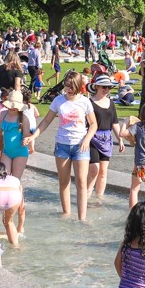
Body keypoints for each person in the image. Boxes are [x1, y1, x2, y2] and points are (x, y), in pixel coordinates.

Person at [26, 71, 97, 220]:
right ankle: (66, 214)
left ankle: (82, 218)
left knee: (81, 182)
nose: (68, 90)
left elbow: (93, 124)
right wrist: (33, 136)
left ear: (78, 86)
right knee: (64, 182)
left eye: (71, 87)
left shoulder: (85, 102)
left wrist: (87, 140)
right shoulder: (58, 100)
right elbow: (46, 121)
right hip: (62, 145)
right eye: (66, 86)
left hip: (81, 146)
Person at [86, 74, 123, 199]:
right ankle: (86, 195)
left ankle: (99, 198)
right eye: (104, 87)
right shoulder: (89, 102)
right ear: (96, 86)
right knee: (94, 169)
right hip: (92, 138)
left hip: (106, 139)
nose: (106, 89)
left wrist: (120, 139)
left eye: (109, 87)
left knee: (103, 171)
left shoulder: (111, 103)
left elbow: (114, 122)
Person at [121, 103, 145, 208]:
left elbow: (122, 134)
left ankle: (133, 212)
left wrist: (125, 122)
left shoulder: (138, 126)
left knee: (134, 189)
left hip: (141, 163)